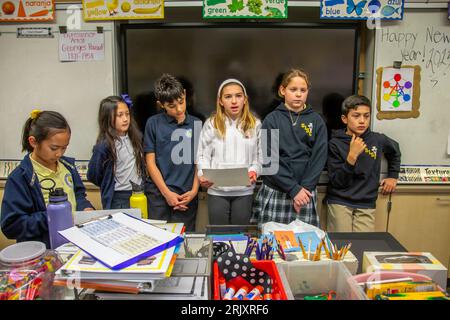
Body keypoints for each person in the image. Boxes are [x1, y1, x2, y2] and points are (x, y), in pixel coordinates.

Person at [1, 110, 94, 247]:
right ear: (33, 142)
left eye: (64, 148)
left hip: (73, 243)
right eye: (54, 148)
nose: (59, 154)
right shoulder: (20, 178)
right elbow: (11, 226)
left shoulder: (68, 167)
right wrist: (54, 217)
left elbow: (78, 195)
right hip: (43, 250)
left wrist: (85, 208)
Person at [251, 68, 328, 227]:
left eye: (303, 90)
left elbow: (318, 158)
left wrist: (303, 190)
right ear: (282, 90)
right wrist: (293, 189)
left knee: (303, 245)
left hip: (305, 193)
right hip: (277, 191)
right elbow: (269, 159)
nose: (298, 94)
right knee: (272, 244)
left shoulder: (317, 121)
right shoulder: (271, 120)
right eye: (293, 89)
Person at [326, 94, 401, 232]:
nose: (362, 121)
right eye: (356, 116)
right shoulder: (335, 143)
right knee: (341, 247)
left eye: (366, 116)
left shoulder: (377, 139)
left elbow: (395, 152)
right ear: (344, 119)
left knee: (363, 246)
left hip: (366, 202)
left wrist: (393, 176)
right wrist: (352, 156)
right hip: (340, 202)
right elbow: (337, 181)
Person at [197, 79, 262, 225]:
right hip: (217, 191)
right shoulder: (211, 124)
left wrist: (253, 171)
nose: (234, 101)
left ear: (245, 100)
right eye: (228, 97)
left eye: (238, 96)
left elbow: (259, 157)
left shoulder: (255, 124)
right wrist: (202, 174)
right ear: (220, 101)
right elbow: (202, 156)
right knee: (219, 236)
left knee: (240, 236)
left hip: (244, 191)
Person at [143, 74, 201, 231]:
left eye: (181, 102)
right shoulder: (153, 124)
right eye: (172, 106)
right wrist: (167, 193)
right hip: (159, 195)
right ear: (161, 104)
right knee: (159, 241)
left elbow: (199, 162)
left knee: (184, 241)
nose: (179, 109)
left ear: (185, 94)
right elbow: (150, 162)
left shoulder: (197, 124)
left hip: (186, 196)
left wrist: (194, 191)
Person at [87, 95, 146, 209]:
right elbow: (93, 175)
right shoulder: (104, 146)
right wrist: (107, 183)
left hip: (139, 192)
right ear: (107, 118)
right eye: (119, 115)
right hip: (119, 197)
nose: (125, 119)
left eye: (127, 114)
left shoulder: (136, 137)